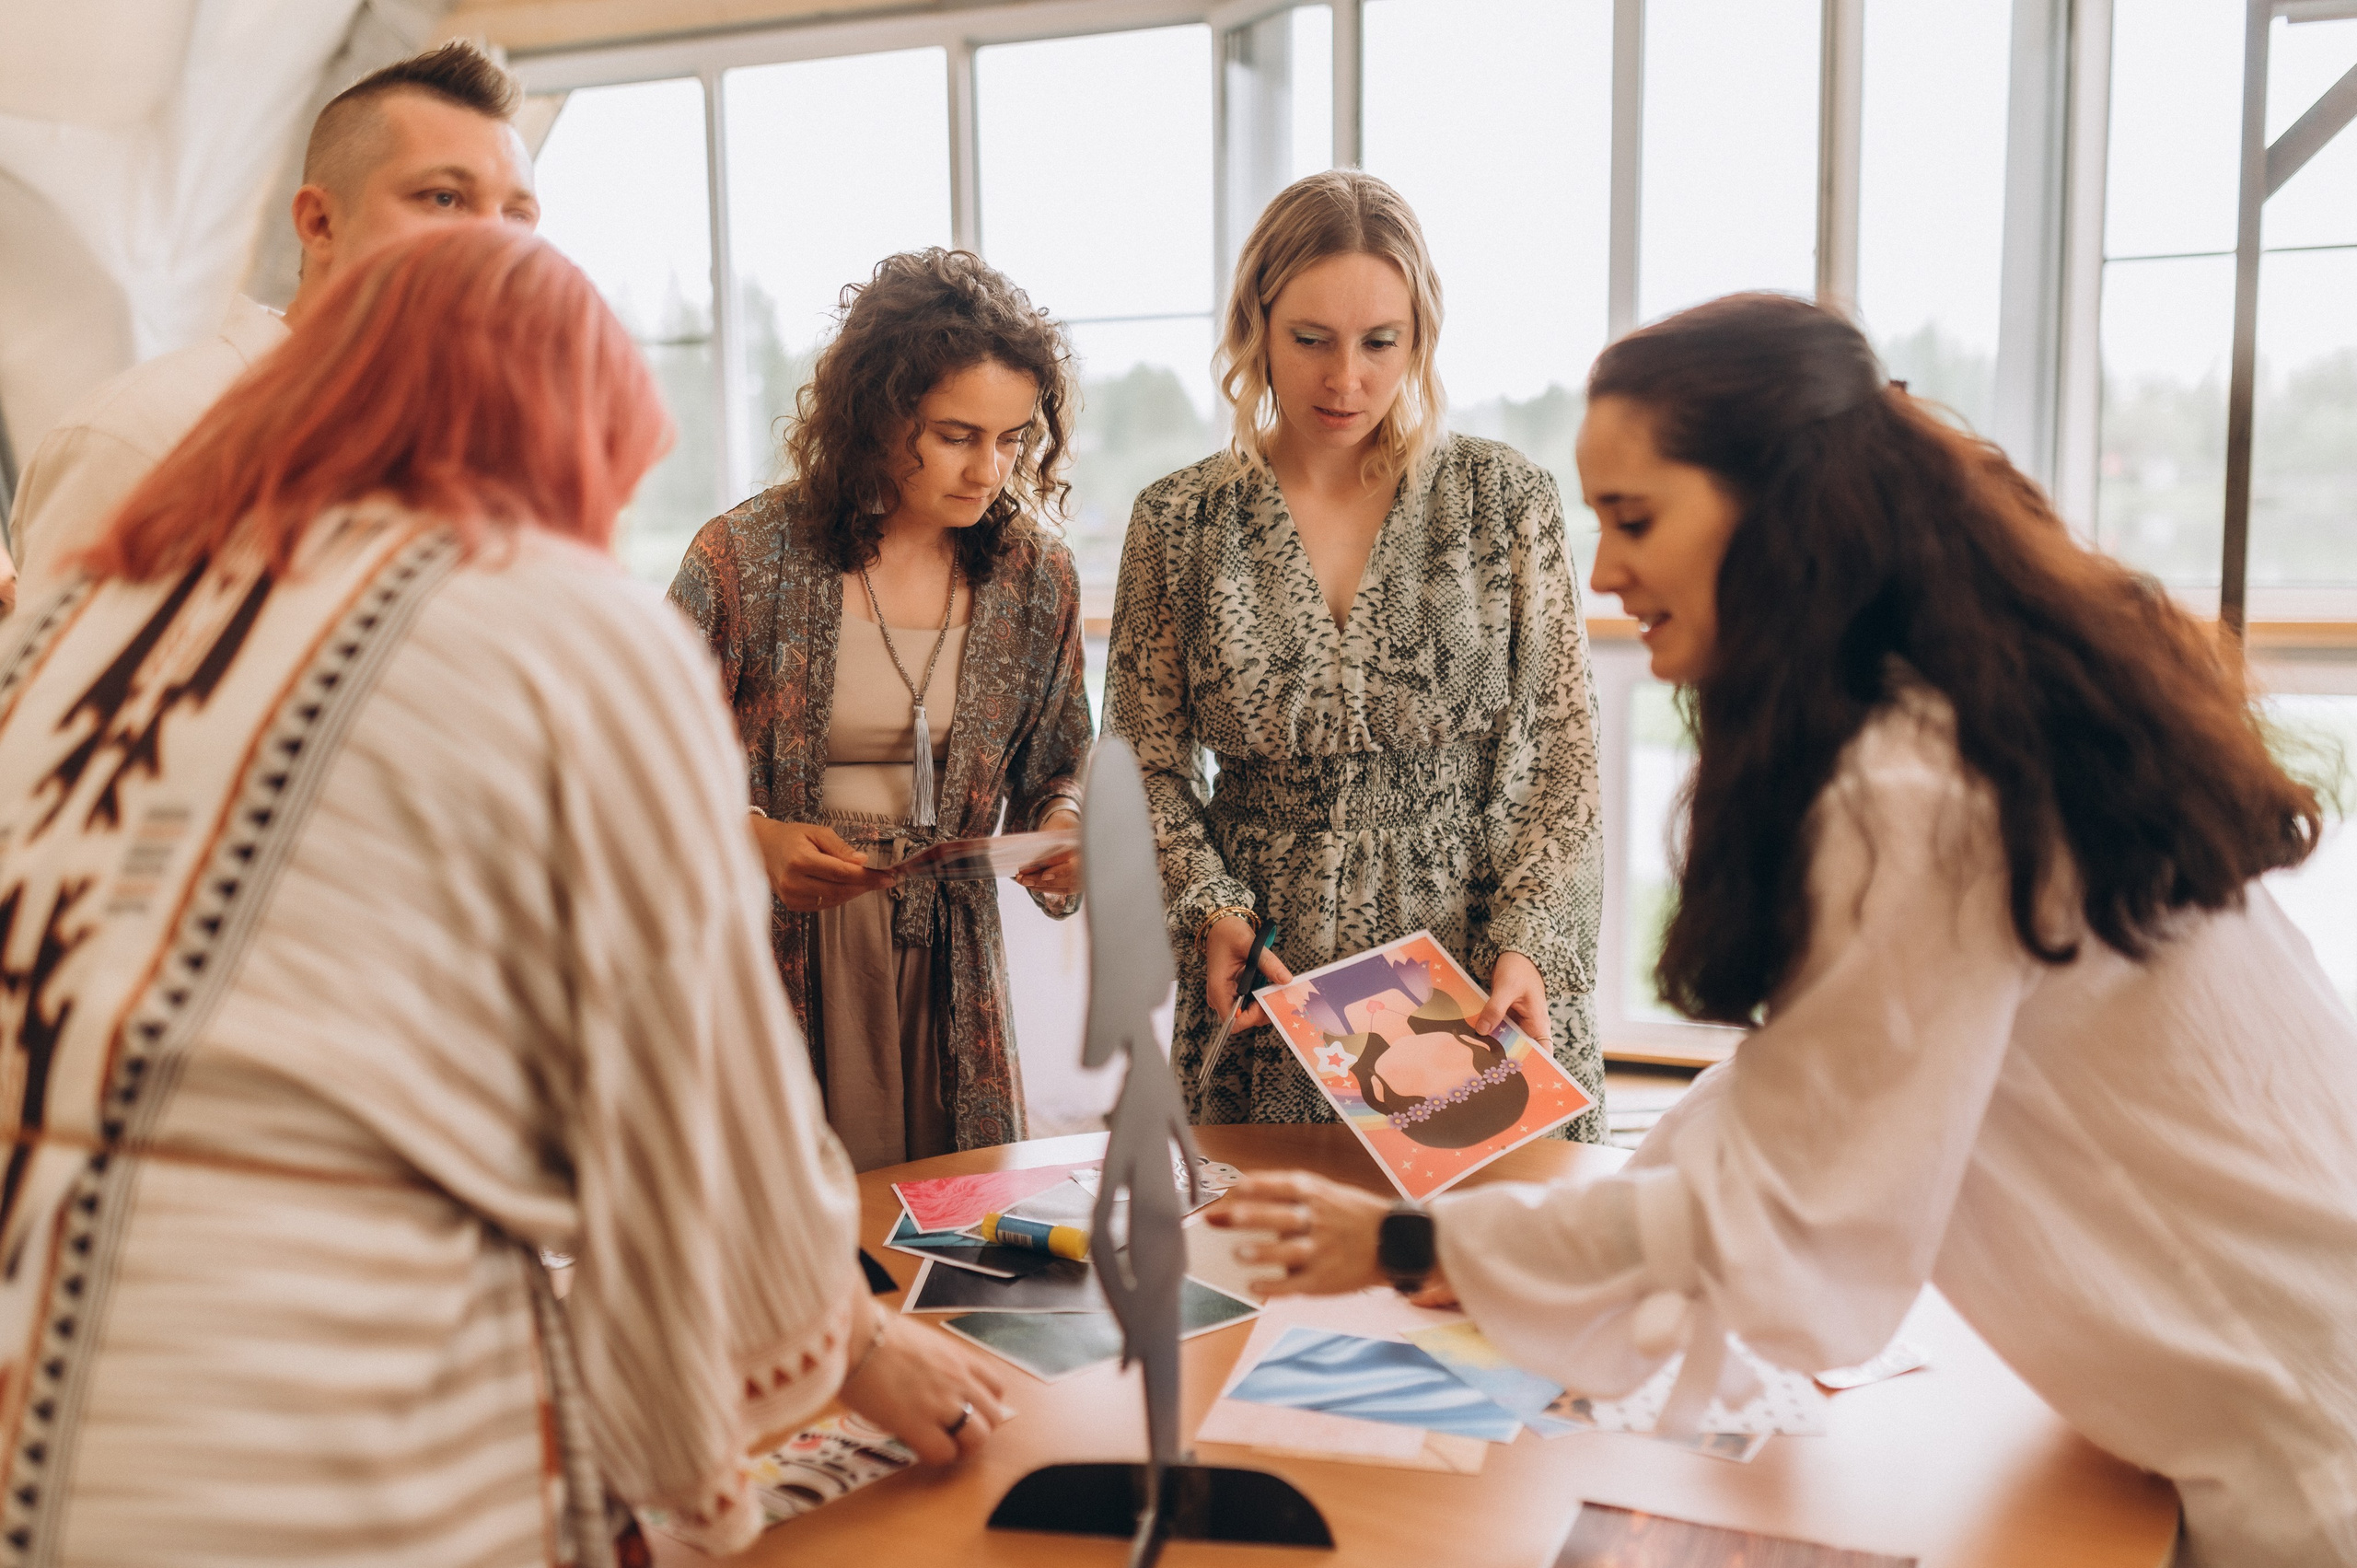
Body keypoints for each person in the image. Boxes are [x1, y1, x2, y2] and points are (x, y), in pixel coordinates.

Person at [1211, 293, 2357, 1567]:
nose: (1605, 572)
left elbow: (1786, 1223)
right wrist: (1501, 1257)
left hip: (2301, 1453)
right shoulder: (1966, 724)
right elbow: (1807, 1081)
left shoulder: (1913, 790)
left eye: (1635, 518)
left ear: (1784, 509)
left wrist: (1420, 1239)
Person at [0, 223, 1009, 1565]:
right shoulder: (558, 621)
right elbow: (692, 1088)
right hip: (296, 1436)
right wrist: (847, 1355)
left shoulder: (88, 617)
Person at [1107, 169, 1605, 1139]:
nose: (1346, 379)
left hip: (1470, 959)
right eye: (1309, 340)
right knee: (1284, 1264)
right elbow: (1139, 765)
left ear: (1420, 334)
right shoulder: (1179, 521)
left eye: (1381, 342)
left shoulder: (1504, 500)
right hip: (1270, 969)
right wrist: (1210, 905)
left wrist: (1530, 944)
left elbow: (1560, 760)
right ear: (1255, 327)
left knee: (1470, 1269)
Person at [670, 248, 1093, 1170]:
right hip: (774, 958)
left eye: (1013, 437)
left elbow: (1061, 760)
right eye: (956, 434)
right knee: (785, 1244)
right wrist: (757, 837)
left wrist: (1061, 830)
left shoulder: (1034, 579)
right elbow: (632, 768)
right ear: (875, 415)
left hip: (951, 971)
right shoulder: (741, 560)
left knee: (960, 1236)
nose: (990, 469)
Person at [5, 40, 540, 609]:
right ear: (320, 223)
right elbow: (63, 693)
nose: (493, 243)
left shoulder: (478, 468)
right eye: (444, 198)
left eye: (517, 216)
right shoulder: (153, 437)